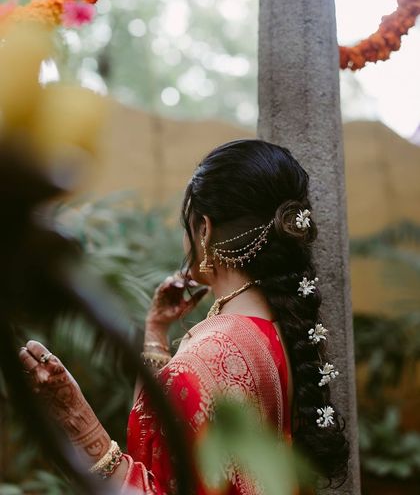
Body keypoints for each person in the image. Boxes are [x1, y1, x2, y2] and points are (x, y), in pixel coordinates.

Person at [19, 140, 349, 493]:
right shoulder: (286, 334)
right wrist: (156, 331)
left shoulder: (200, 362)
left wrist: (77, 421)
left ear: (204, 230)